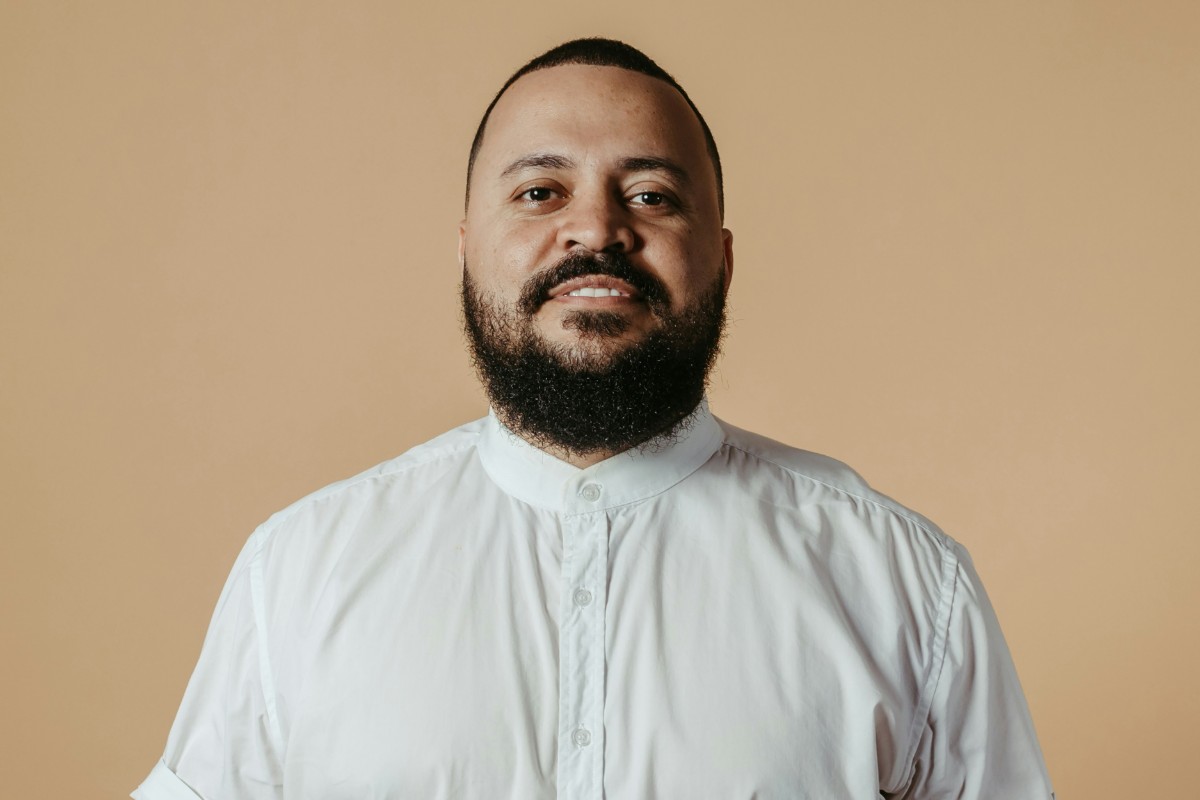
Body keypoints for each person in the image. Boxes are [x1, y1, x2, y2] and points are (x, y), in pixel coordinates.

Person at [133, 38, 1054, 799]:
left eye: (650, 195)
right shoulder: (299, 573)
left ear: (722, 259)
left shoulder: (904, 585)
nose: (596, 230)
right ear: (469, 250)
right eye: (541, 192)